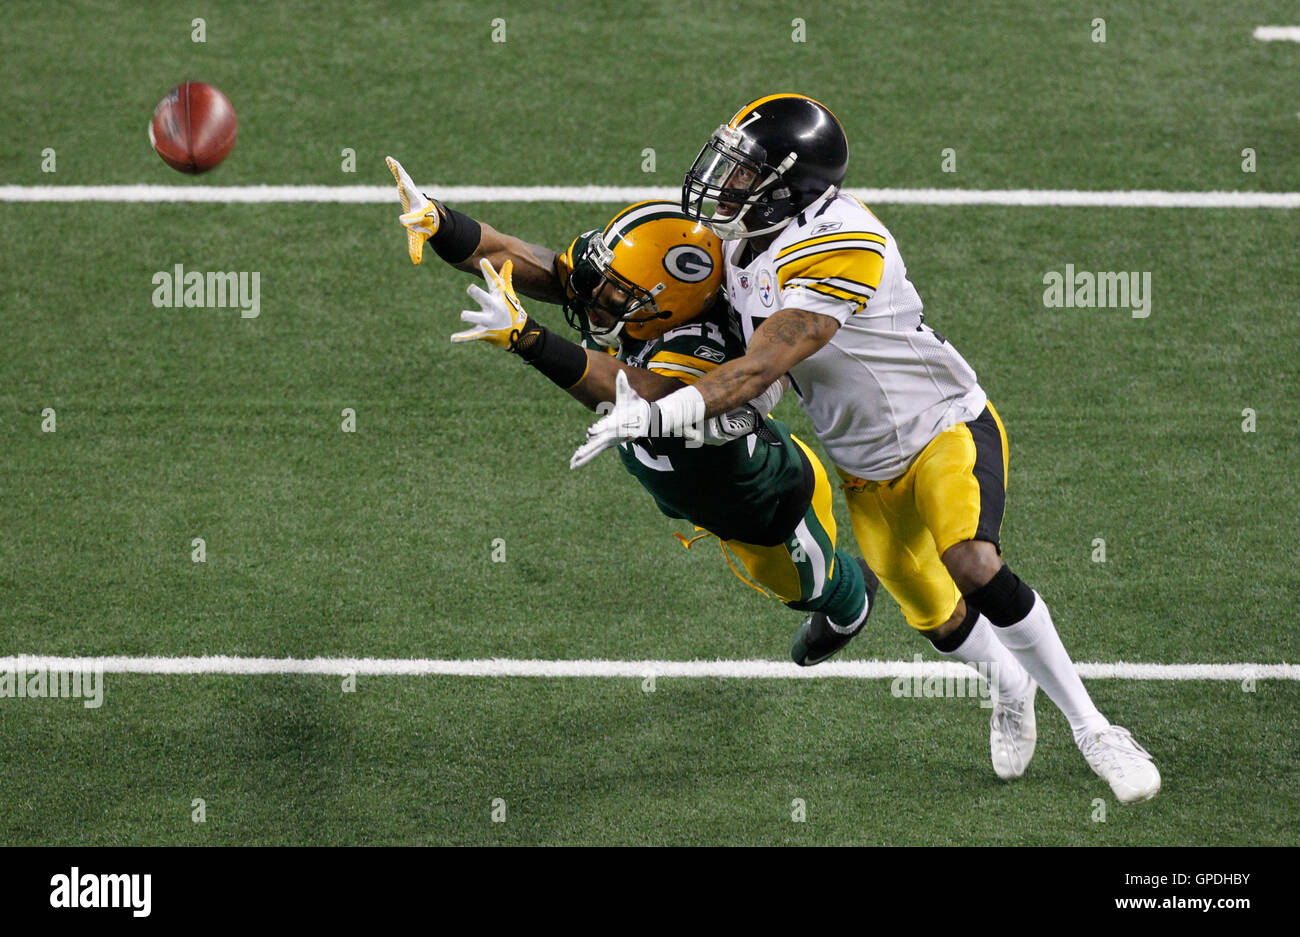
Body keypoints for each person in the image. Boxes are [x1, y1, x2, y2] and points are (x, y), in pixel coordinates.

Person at [570, 95, 1160, 803]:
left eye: (744, 173)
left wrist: (659, 412)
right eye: (729, 165)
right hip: (864, 467)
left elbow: (762, 365)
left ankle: (1096, 727)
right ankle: (1009, 686)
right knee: (935, 616)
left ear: (790, 186)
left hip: (942, 428)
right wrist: (468, 244)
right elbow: (624, 286)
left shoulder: (843, 242)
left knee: (971, 559)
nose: (723, 184)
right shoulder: (735, 240)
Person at [386, 157, 878, 663]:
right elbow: (545, 267)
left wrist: (531, 341)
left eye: (616, 293)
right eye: (605, 280)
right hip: (696, 471)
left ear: (670, 306)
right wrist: (444, 225)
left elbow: (636, 394)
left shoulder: (703, 350)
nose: (594, 296)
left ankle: (851, 602)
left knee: (805, 590)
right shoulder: (642, 303)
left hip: (764, 508)